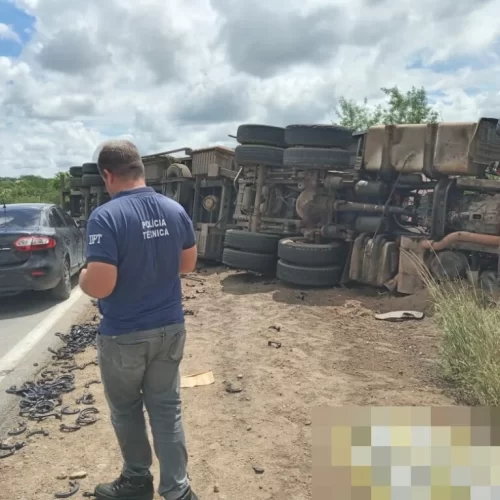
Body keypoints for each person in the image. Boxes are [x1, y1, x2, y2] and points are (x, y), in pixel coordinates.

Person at [79, 140, 198, 500]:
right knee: (166, 409)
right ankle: (178, 491)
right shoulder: (174, 209)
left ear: (107, 175)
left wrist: (83, 276)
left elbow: (101, 284)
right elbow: (187, 265)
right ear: (141, 169)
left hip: (124, 335)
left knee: (127, 410)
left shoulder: (107, 216)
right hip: (170, 328)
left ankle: (136, 480)